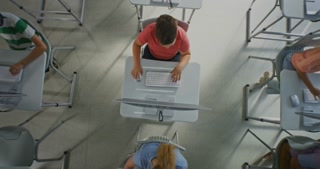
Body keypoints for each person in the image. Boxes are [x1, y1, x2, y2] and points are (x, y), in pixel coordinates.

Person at [131, 14, 191, 82]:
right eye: (163, 45)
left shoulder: (182, 36)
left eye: (170, 45)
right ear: (156, 35)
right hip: (151, 54)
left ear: (177, 34)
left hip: (173, 57)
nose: (167, 48)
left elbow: (187, 54)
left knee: (175, 78)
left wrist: (179, 67)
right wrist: (136, 64)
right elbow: (136, 45)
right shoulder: (149, 31)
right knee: (143, 78)